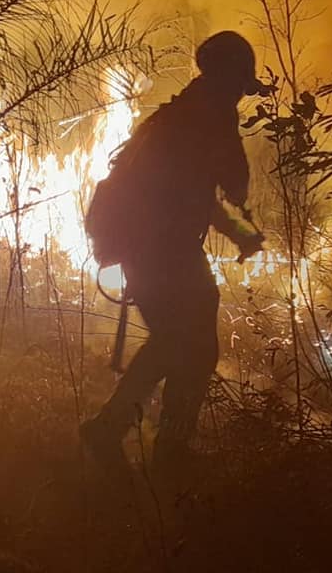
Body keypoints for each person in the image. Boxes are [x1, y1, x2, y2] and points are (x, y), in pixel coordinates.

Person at [80, 31, 263, 475]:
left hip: (150, 246)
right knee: (189, 344)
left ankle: (131, 435)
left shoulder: (177, 114)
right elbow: (234, 184)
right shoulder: (208, 114)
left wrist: (239, 232)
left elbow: (196, 194)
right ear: (228, 77)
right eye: (240, 84)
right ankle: (150, 442)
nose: (241, 95)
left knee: (179, 341)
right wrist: (241, 221)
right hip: (162, 248)